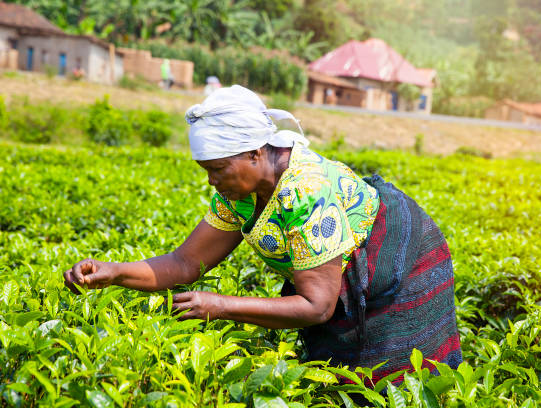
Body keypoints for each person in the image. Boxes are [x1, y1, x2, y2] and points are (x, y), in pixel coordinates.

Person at [63, 85, 462, 384]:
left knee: (393, 375)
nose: (211, 180)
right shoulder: (238, 194)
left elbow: (316, 306)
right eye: (207, 170)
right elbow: (185, 263)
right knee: (338, 372)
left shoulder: (304, 192)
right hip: (338, 278)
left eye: (217, 168)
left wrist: (221, 305)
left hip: (398, 261)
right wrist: (113, 272)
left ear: (255, 153)